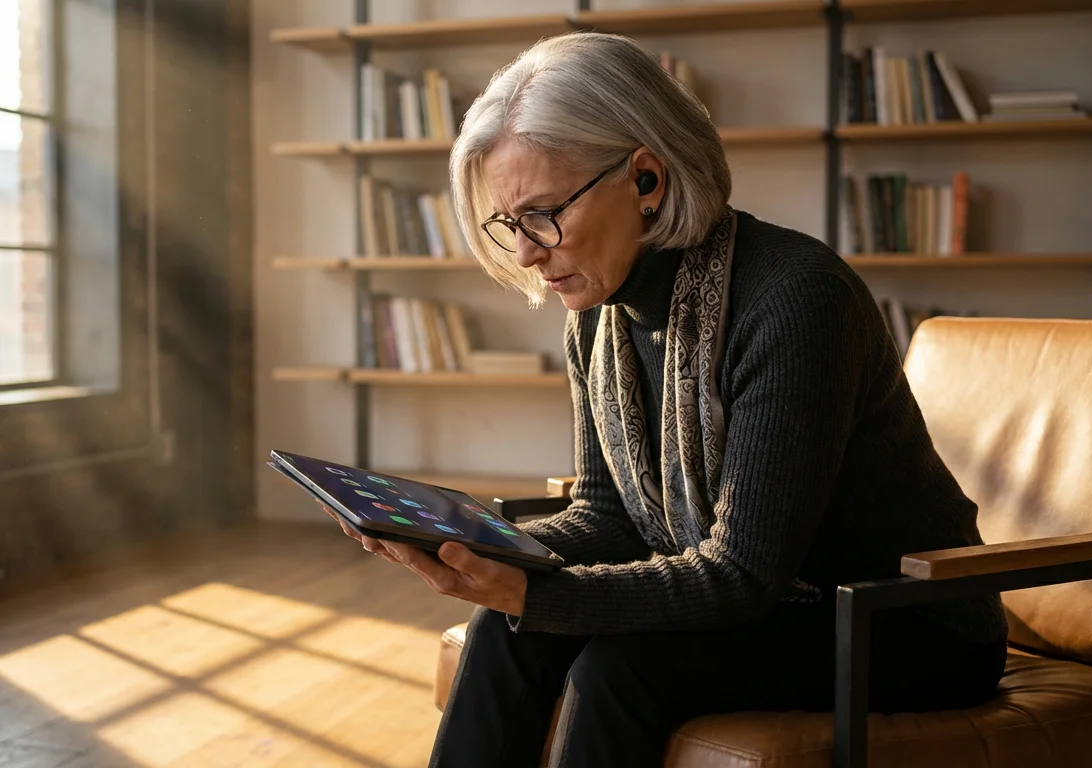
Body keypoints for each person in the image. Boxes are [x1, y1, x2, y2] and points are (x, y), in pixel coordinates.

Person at [326, 31, 1008, 768]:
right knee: (504, 626)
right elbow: (609, 516)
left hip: (897, 624)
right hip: (768, 604)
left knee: (620, 671)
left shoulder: (798, 300)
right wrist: (474, 544)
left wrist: (539, 594)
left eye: (543, 214)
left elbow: (742, 573)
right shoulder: (595, 315)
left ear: (646, 179)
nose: (525, 253)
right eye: (509, 224)